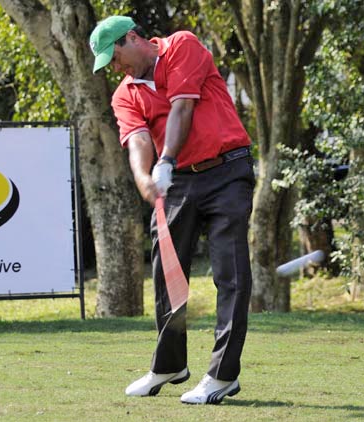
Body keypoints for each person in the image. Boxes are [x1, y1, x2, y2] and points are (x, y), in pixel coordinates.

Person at [89, 16, 254, 405]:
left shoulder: (181, 45)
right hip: (178, 182)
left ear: (132, 38)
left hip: (227, 171)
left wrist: (165, 161)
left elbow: (182, 107)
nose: (115, 68)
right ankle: (169, 365)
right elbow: (137, 140)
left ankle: (222, 375)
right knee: (167, 274)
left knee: (230, 275)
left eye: (115, 57)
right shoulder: (124, 94)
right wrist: (144, 177)